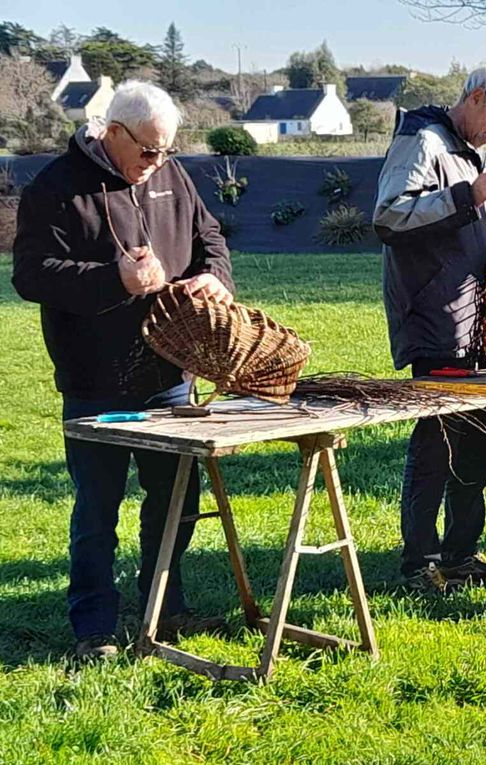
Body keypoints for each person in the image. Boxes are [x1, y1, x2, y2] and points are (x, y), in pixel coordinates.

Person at [12, 81, 233, 659]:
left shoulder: (169, 175)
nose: (156, 163)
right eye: (147, 151)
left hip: (171, 373)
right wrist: (116, 279)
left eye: (166, 152)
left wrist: (216, 277)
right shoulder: (55, 189)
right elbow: (30, 276)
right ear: (112, 133)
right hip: (94, 381)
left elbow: (210, 237)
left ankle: (164, 607)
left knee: (176, 502)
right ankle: (94, 627)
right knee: (97, 509)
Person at [373, 64, 486, 592]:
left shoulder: (472, 154)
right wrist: (467, 196)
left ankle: (462, 553)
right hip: (435, 320)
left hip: (480, 324)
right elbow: (391, 217)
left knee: (482, 442)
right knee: (437, 447)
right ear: (478, 98)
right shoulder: (421, 142)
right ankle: (419, 562)